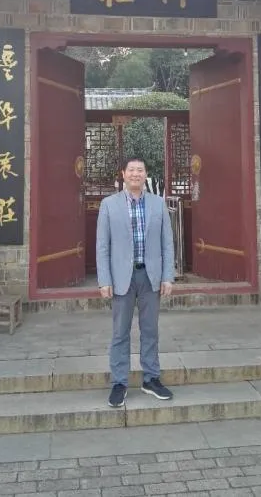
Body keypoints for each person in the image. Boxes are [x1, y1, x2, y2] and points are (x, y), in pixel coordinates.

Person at [96, 157, 175, 408]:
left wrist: (168, 276)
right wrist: (104, 279)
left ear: (145, 174)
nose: (135, 174)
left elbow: (167, 243)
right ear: (123, 174)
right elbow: (102, 245)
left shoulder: (158, 203)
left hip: (150, 276)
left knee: (150, 330)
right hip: (122, 277)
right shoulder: (109, 205)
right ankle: (119, 382)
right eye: (131, 170)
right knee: (120, 332)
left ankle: (151, 378)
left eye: (140, 170)